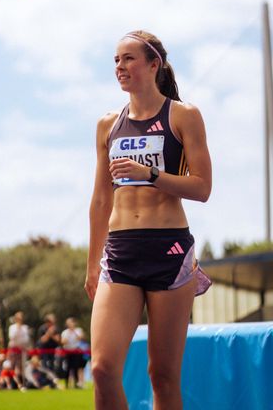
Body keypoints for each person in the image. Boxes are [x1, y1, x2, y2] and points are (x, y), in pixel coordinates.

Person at [85, 30, 212, 410]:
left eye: (128, 59)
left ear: (154, 64)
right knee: (103, 371)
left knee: (164, 377)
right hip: (120, 252)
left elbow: (202, 187)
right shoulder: (108, 124)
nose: (119, 67)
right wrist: (92, 264)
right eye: (116, 60)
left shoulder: (183, 115)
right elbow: (100, 198)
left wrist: (151, 175)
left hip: (169, 251)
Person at [61, 317, 84, 389]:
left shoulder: (78, 330)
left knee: (76, 368)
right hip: (67, 352)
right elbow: (63, 342)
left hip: (76, 351)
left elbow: (80, 338)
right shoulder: (65, 332)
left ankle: (76, 384)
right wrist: (68, 334)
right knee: (67, 368)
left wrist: (73, 332)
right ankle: (67, 384)